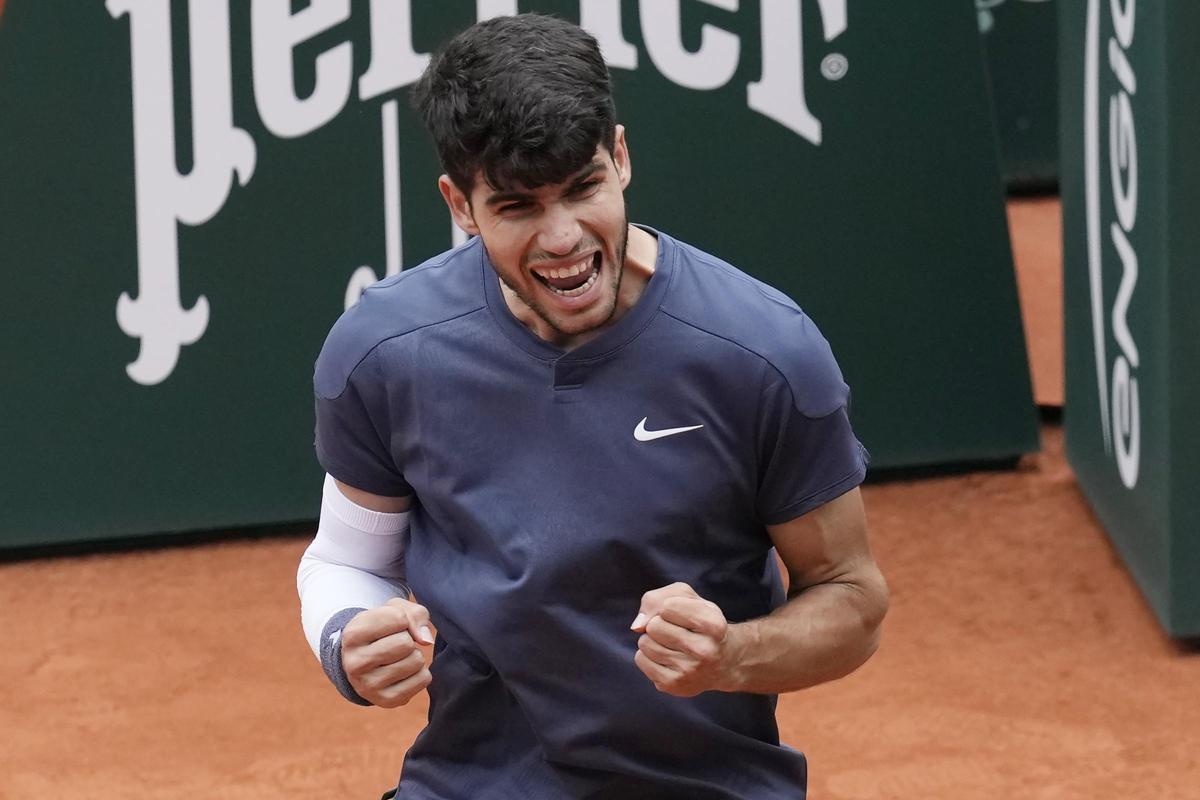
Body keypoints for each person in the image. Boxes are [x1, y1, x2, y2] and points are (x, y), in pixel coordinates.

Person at [298, 13, 888, 800]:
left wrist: (731, 654)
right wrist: (348, 638)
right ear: (460, 204)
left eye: (583, 188)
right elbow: (346, 562)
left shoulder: (763, 352)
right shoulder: (383, 351)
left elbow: (852, 599)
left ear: (620, 155)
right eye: (517, 207)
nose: (564, 238)